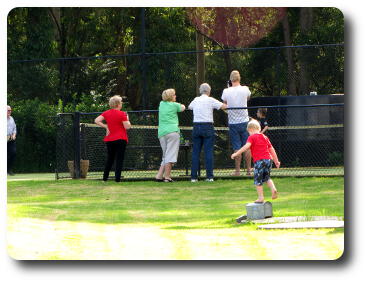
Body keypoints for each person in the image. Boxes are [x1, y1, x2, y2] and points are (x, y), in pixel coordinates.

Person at [231, 119, 280, 203]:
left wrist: (236, 154)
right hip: (268, 160)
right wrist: (276, 161)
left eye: (248, 132)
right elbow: (272, 149)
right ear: (259, 128)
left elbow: (246, 147)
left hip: (259, 161)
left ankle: (261, 197)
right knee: (267, 178)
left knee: (258, 180)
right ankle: (273, 189)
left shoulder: (251, 137)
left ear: (250, 130)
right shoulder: (265, 137)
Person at [189, 83, 227, 182]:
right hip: (207, 126)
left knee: (195, 152)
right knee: (208, 152)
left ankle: (193, 177)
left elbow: (190, 107)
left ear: (200, 91)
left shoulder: (196, 100)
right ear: (209, 91)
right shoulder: (211, 100)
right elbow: (223, 106)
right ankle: (209, 177)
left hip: (196, 126)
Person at [221, 70, 252, 176]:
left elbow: (224, 105)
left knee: (237, 147)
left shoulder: (226, 91)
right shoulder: (245, 89)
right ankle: (249, 170)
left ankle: (237, 171)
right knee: (247, 146)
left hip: (233, 122)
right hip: (244, 121)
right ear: (239, 78)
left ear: (230, 79)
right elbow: (247, 98)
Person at [95, 95, 131, 182]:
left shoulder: (106, 113)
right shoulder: (123, 114)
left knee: (110, 159)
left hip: (109, 140)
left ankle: (105, 178)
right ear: (118, 104)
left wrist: (106, 127)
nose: (122, 103)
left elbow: (96, 120)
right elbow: (127, 127)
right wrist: (127, 118)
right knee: (119, 159)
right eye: (121, 102)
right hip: (121, 139)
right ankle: (117, 179)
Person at [155, 89, 186, 182]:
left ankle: (159, 176)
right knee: (170, 155)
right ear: (170, 97)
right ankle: (167, 177)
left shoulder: (161, 104)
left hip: (161, 133)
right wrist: (182, 105)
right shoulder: (174, 105)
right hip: (172, 132)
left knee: (165, 155)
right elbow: (183, 108)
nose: (175, 96)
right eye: (174, 95)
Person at [7, 105, 17, 176]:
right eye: (8, 110)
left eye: (10, 110)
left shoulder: (12, 118)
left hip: (11, 139)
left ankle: (8, 169)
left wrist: (14, 135)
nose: (10, 112)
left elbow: (14, 128)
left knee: (13, 153)